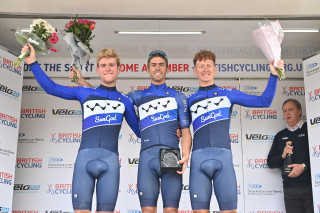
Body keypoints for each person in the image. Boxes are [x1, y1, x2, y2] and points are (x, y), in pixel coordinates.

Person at [21, 44, 141, 213]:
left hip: (110, 163)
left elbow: (140, 131)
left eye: (112, 65)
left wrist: (174, 128)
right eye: (104, 65)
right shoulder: (84, 93)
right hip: (84, 161)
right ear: (98, 69)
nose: (108, 69)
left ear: (119, 69)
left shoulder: (125, 101)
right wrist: (33, 62)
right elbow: (51, 88)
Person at [72, 50, 192, 213]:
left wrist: (185, 154)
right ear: (147, 69)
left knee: (171, 211)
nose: (157, 68)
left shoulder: (178, 97)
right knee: (147, 211)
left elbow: (185, 130)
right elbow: (105, 97)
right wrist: (82, 82)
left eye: (161, 65)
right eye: (153, 65)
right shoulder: (136, 96)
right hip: (147, 155)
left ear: (167, 68)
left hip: (170, 153)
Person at [187, 50, 283, 213]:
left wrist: (273, 75)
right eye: (201, 66)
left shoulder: (228, 94)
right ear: (194, 70)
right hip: (198, 159)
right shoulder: (189, 100)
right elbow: (180, 130)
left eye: (209, 65)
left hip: (223, 159)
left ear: (215, 69)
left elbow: (263, 101)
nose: (205, 69)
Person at [267, 99, 313, 213]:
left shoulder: (311, 130)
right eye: (285, 111)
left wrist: (304, 166)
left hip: (311, 187)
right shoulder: (280, 135)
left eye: (291, 109)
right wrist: (282, 155)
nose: (287, 113)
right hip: (290, 189)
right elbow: (271, 163)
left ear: (299, 111)